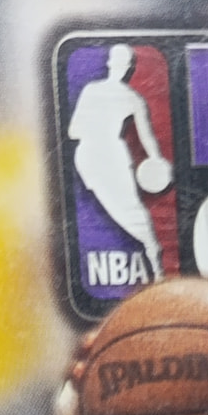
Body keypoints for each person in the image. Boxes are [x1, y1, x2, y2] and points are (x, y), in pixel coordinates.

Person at [66, 44, 171, 278]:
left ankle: (154, 261)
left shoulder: (117, 96)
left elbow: (75, 131)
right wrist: (155, 159)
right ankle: (153, 256)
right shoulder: (129, 98)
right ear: (126, 68)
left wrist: (156, 161)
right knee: (129, 211)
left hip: (97, 155)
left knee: (130, 209)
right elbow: (73, 131)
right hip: (100, 156)